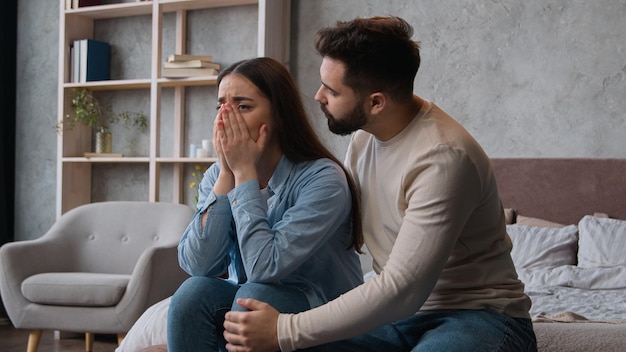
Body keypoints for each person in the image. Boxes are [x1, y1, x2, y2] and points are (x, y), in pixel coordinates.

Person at [223, 16, 538, 352]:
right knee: (251, 330)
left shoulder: (443, 158)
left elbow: (401, 288)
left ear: (376, 102)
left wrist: (286, 330)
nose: (317, 97)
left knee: (284, 337)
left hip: (478, 316)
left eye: (331, 90)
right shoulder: (364, 140)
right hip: (395, 320)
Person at [166, 57, 365, 352]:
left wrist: (244, 173)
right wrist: (226, 175)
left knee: (254, 297)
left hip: (325, 317)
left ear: (278, 115)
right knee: (193, 293)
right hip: (252, 298)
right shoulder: (217, 174)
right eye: (221, 105)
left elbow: (264, 268)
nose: (225, 118)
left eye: (243, 106)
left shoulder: (323, 179)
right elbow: (197, 264)